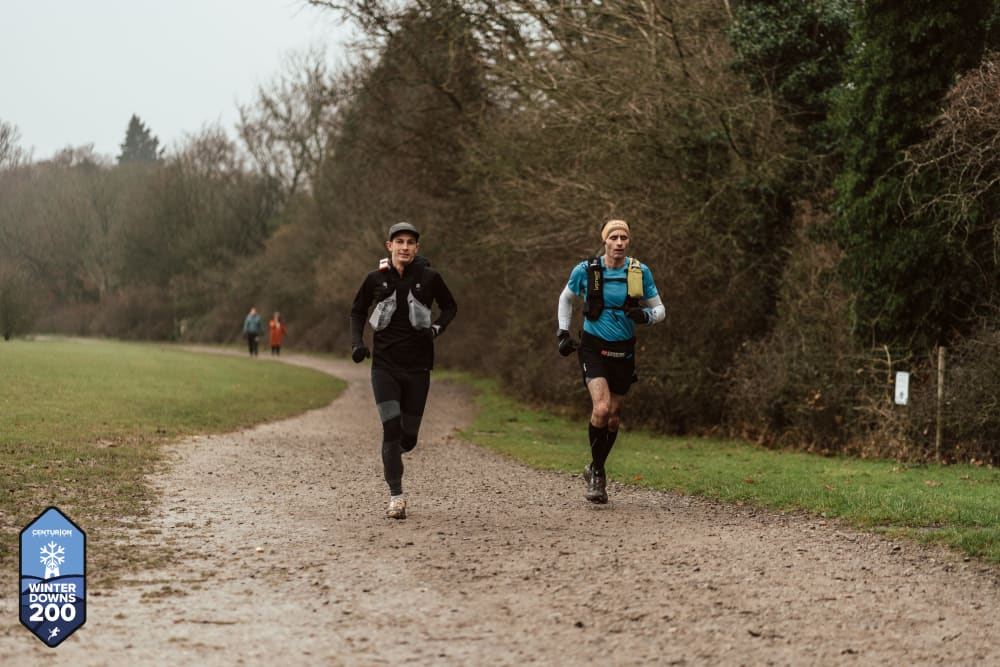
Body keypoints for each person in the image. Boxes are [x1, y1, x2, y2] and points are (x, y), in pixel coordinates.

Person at [349, 221, 458, 519]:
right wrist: (357, 343)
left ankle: (394, 453)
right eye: (399, 242)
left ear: (417, 248)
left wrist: (436, 328)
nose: (405, 247)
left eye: (410, 242)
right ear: (389, 246)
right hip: (384, 367)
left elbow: (450, 307)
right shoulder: (375, 279)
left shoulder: (430, 278)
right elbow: (357, 311)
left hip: (418, 368)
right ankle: (396, 497)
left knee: (408, 438)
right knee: (391, 429)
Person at [556, 219, 665, 503]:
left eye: (623, 238)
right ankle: (599, 475)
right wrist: (563, 332)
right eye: (613, 237)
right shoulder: (586, 270)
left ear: (628, 241)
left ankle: (594, 467)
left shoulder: (639, 272)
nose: (619, 242)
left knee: (614, 418)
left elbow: (660, 310)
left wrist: (646, 316)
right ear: (604, 240)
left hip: (623, 351)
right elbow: (566, 298)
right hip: (593, 348)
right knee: (602, 408)